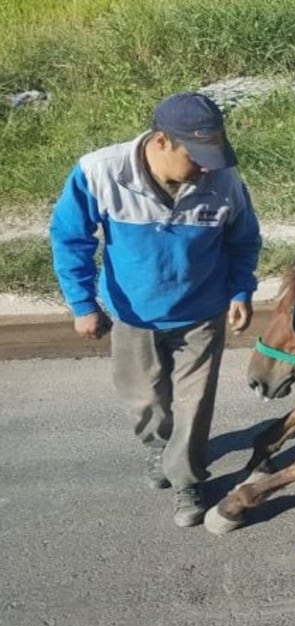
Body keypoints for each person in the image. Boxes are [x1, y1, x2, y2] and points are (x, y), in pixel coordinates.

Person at [49, 92, 262, 527]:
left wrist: (241, 292)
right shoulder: (101, 172)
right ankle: (157, 445)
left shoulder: (223, 179)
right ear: (161, 141)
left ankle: (186, 477)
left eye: (213, 154)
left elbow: (243, 239)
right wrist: (83, 303)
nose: (206, 166)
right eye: (196, 155)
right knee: (145, 399)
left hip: (202, 310)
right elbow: (71, 237)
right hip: (134, 314)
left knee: (193, 401)